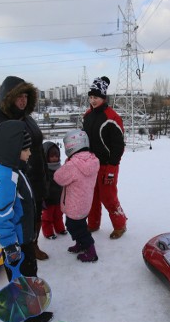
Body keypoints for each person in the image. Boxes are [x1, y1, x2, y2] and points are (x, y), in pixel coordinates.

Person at [0, 120, 53, 322]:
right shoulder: (8, 178)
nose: (30, 153)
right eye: (26, 149)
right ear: (15, 150)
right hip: (16, 243)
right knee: (24, 278)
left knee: (26, 276)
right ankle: (31, 315)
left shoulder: (11, 170)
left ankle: (30, 308)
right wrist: (10, 245)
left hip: (20, 239)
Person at [0, 75, 50, 260]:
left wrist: (46, 177)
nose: (23, 100)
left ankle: (33, 244)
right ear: (8, 97)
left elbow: (37, 148)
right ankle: (17, 249)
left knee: (35, 213)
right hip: (16, 179)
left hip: (36, 176)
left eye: (26, 96)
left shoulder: (27, 118)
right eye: (19, 96)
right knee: (19, 216)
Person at [81, 76, 128, 239]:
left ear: (103, 98)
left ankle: (120, 224)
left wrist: (112, 165)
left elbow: (118, 145)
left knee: (108, 197)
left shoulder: (112, 117)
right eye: (91, 97)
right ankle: (93, 224)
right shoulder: (87, 115)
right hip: (90, 164)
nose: (93, 101)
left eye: (96, 97)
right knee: (91, 196)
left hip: (108, 165)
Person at [54, 130, 100, 262]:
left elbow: (58, 178)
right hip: (85, 203)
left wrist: (67, 164)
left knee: (75, 227)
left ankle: (90, 250)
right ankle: (80, 244)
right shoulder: (93, 160)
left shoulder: (73, 165)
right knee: (80, 225)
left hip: (74, 205)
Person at [40, 141, 67, 239]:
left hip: (59, 198)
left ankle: (60, 228)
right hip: (48, 199)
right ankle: (48, 232)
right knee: (47, 218)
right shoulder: (43, 170)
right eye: (52, 156)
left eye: (56, 156)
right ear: (46, 156)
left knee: (58, 215)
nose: (55, 158)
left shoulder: (60, 168)